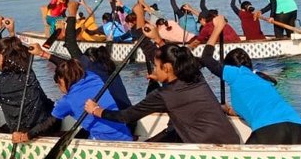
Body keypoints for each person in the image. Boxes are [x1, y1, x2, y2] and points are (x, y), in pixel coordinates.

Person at [84, 43, 240, 145]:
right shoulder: (196, 77)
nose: (154, 70)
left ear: (167, 68)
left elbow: (126, 116)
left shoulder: (162, 95)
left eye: (157, 67)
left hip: (209, 153)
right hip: (232, 141)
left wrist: (96, 110)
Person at [200, 15, 301, 144]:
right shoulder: (260, 78)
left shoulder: (237, 73)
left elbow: (206, 59)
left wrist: (218, 28)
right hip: (299, 128)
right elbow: (256, 108)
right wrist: (228, 110)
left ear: (229, 67)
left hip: (271, 129)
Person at [17, 57, 132, 143]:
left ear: (62, 80)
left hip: (103, 142)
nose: (60, 89)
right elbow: (72, 67)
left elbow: (49, 124)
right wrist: (43, 54)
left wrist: (27, 135)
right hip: (126, 135)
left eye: (58, 84)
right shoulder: (93, 77)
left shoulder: (68, 101)